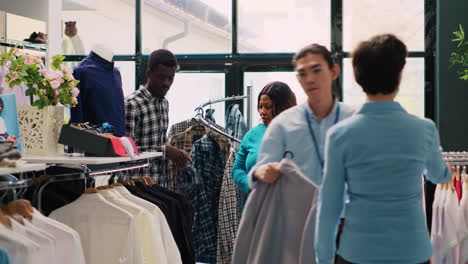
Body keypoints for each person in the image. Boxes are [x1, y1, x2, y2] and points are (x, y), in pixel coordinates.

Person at [314, 34, 452, 264]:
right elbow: (438, 175)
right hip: (411, 250)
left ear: (359, 79)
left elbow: (329, 205)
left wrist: (324, 258)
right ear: (399, 75)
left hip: (357, 251)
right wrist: (445, 171)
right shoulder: (424, 129)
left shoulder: (339, 135)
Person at [250, 43, 354, 187]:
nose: (310, 79)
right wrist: (258, 173)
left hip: (345, 207)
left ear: (334, 72)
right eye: (302, 74)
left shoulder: (353, 120)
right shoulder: (282, 125)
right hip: (296, 207)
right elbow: (260, 171)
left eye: (316, 70)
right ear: (298, 78)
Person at [125, 49, 191, 187]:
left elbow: (156, 142)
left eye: (171, 78)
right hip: (138, 188)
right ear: (149, 74)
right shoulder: (131, 104)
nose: (166, 83)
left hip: (162, 186)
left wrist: (175, 155)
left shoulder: (164, 103)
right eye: (161, 77)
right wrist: (166, 151)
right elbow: (126, 153)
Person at [232, 81, 296, 193]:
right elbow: (237, 169)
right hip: (257, 205)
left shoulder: (298, 133)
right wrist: (249, 183)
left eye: (268, 107)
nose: (262, 112)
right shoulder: (251, 135)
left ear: (284, 107)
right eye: (260, 106)